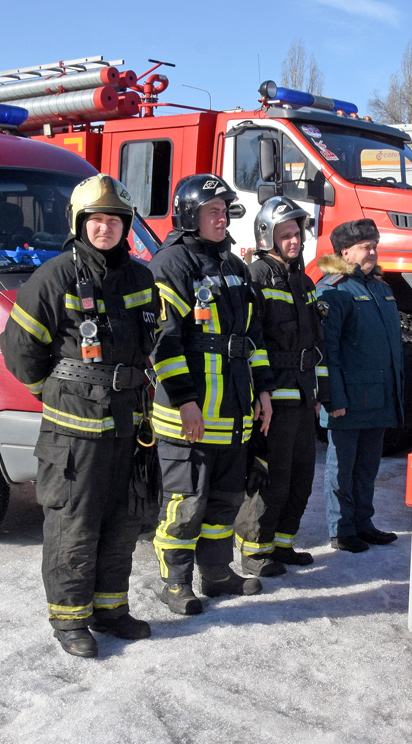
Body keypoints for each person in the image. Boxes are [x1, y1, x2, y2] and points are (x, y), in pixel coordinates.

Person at [0, 174, 159, 657]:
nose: (105, 229)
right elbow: (19, 349)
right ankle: (70, 621)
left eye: (113, 220)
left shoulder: (139, 277)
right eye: (96, 220)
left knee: (123, 521)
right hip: (74, 434)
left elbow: (151, 339)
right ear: (79, 223)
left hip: (129, 425)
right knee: (74, 524)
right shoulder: (54, 277)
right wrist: (54, 393)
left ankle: (111, 609)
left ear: (125, 224)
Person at [148, 174, 274, 615]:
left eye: (224, 212)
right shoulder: (172, 264)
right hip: (191, 416)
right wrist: (184, 401)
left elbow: (251, 336)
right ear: (189, 215)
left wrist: (264, 393)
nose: (222, 219)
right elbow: (165, 343)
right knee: (186, 503)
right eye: (212, 212)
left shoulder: (235, 266)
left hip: (234, 414)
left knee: (224, 502)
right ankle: (176, 583)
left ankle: (217, 574)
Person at [233, 196, 326, 578]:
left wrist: (318, 393)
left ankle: (282, 544)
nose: (294, 241)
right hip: (274, 397)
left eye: (297, 233)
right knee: (270, 477)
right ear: (267, 236)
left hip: (303, 395)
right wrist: (260, 393)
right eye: (286, 234)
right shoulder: (255, 276)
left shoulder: (303, 281)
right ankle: (254, 552)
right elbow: (252, 339)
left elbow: (316, 342)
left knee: (301, 476)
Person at [317, 219, 405, 553]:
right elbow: (328, 352)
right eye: (366, 246)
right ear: (345, 252)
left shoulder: (381, 289)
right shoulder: (334, 290)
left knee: (367, 467)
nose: (373, 251)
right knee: (342, 469)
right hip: (348, 400)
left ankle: (363, 523)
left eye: (374, 245)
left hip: (378, 398)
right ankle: (341, 529)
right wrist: (333, 398)